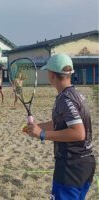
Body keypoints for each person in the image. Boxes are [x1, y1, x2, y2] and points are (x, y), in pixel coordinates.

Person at [24, 54, 95, 199]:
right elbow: (64, 123)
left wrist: (43, 134)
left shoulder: (65, 98)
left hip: (70, 166)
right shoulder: (76, 94)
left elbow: (79, 132)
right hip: (86, 164)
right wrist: (37, 127)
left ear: (51, 75)